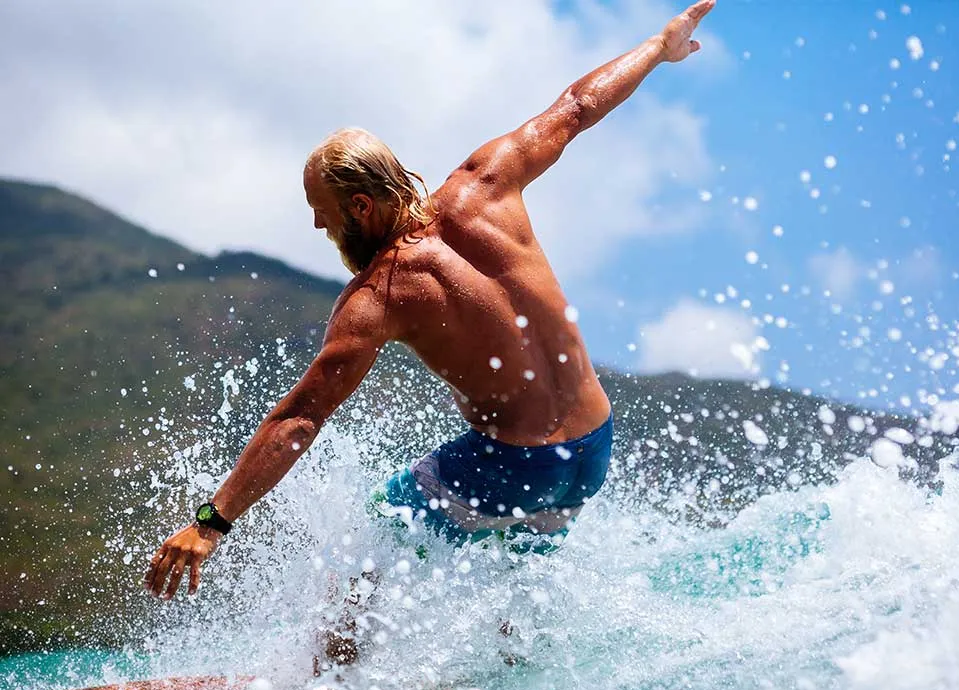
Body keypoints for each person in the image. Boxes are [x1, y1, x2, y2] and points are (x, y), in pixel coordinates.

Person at [146, 0, 715, 601]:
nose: (319, 227)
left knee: (360, 554)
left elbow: (300, 418)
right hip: (592, 449)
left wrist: (211, 523)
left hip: (514, 466)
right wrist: (659, 46)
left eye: (324, 213)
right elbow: (575, 108)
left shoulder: (377, 297)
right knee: (509, 588)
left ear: (360, 208)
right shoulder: (487, 181)